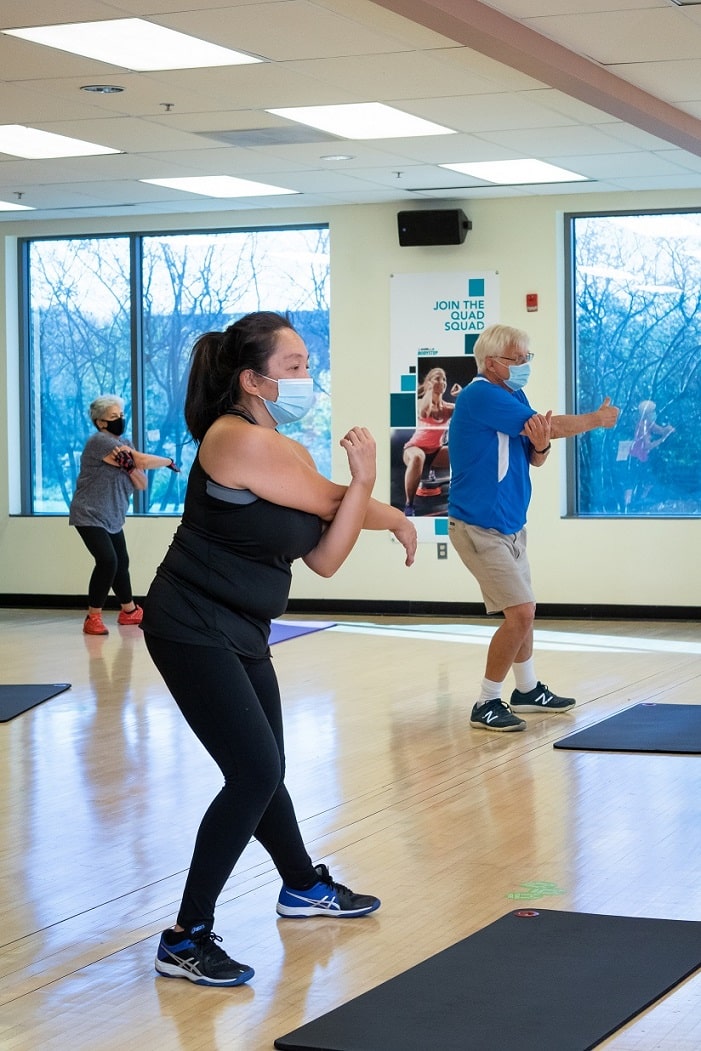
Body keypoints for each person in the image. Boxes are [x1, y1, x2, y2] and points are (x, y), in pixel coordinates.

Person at [141, 311, 417, 988]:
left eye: (305, 363)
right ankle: (185, 937)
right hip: (191, 623)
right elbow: (332, 503)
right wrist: (382, 505)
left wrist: (365, 495)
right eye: (293, 366)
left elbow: (326, 555)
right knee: (254, 771)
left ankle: (300, 885)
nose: (306, 376)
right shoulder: (234, 439)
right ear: (252, 379)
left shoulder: (282, 445)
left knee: (266, 767)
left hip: (242, 626)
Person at [447, 324, 619, 732]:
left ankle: (526, 689)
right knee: (521, 613)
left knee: (524, 610)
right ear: (492, 363)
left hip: (509, 525)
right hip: (478, 527)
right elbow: (552, 426)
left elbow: (536, 454)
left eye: (528, 357)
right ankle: (486, 701)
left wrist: (540, 444)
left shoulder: (512, 394)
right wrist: (596, 419)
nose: (526, 365)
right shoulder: (479, 394)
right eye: (518, 358)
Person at [69, 395, 180, 636]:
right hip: (89, 512)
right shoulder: (100, 441)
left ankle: (129, 611)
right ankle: (93, 617)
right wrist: (168, 461)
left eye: (121, 415)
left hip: (112, 515)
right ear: (100, 422)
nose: (120, 420)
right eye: (113, 417)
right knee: (108, 561)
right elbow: (141, 461)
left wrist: (129, 466)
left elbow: (141, 482)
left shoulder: (124, 443)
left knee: (122, 563)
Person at [403, 366, 461, 516]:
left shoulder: (448, 408)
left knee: (466, 454)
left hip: (435, 451)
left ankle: (461, 499)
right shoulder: (421, 402)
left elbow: (468, 409)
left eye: (444, 379)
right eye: (437, 378)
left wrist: (461, 395)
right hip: (414, 448)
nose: (441, 382)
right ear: (429, 382)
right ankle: (409, 505)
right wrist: (430, 390)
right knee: (417, 457)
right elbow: (424, 411)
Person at [623, 399, 675, 511]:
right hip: (635, 458)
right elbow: (647, 446)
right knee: (632, 482)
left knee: (646, 481)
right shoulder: (641, 426)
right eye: (653, 411)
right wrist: (662, 440)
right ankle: (628, 506)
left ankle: (638, 502)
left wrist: (668, 429)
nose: (654, 413)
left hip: (642, 458)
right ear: (647, 413)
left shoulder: (648, 423)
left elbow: (660, 430)